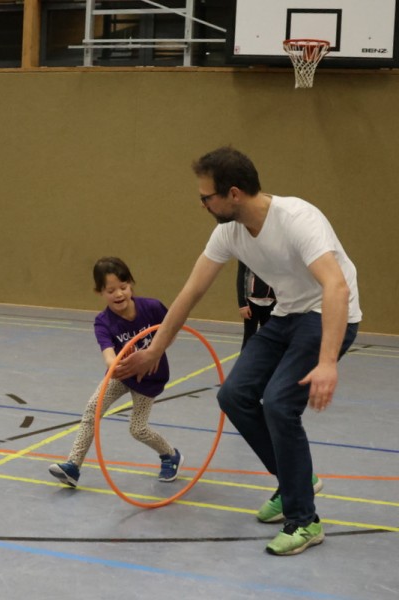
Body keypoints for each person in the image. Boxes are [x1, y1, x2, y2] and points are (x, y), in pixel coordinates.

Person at [113, 147, 361, 556]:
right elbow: (191, 292)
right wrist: (155, 349)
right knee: (234, 395)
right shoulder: (229, 232)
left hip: (329, 314)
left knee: (279, 404)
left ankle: (304, 520)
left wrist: (327, 362)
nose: (203, 205)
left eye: (206, 197)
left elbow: (336, 286)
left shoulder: (297, 218)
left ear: (233, 194)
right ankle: (295, 482)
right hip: (287, 314)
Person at [49, 256, 183, 488]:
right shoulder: (103, 322)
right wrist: (114, 366)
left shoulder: (152, 307)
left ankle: (170, 455)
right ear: (100, 292)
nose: (119, 294)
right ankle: (73, 466)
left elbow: (171, 330)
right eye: (111, 290)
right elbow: (108, 353)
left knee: (138, 429)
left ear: (131, 284)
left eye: (123, 287)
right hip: (122, 374)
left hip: (149, 377)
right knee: (92, 410)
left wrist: (157, 352)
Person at [237, 260, 276, 348]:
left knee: (269, 337)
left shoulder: (275, 255)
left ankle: (266, 356)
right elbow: (241, 277)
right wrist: (243, 305)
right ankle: (246, 356)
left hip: (270, 303)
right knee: (249, 337)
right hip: (251, 303)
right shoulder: (246, 255)